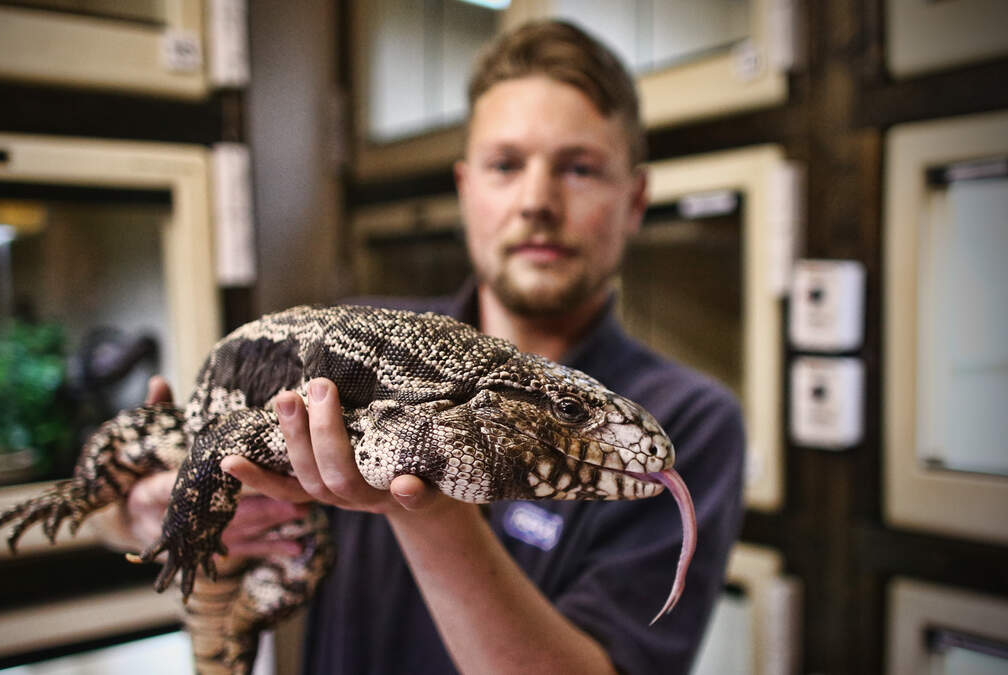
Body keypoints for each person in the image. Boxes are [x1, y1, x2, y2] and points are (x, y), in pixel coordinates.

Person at [101, 20, 745, 674]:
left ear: (635, 199)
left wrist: (426, 507)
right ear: (466, 188)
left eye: (579, 168)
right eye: (505, 165)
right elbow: (122, 508)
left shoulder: (690, 421)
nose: (537, 201)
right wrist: (147, 509)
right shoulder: (353, 346)